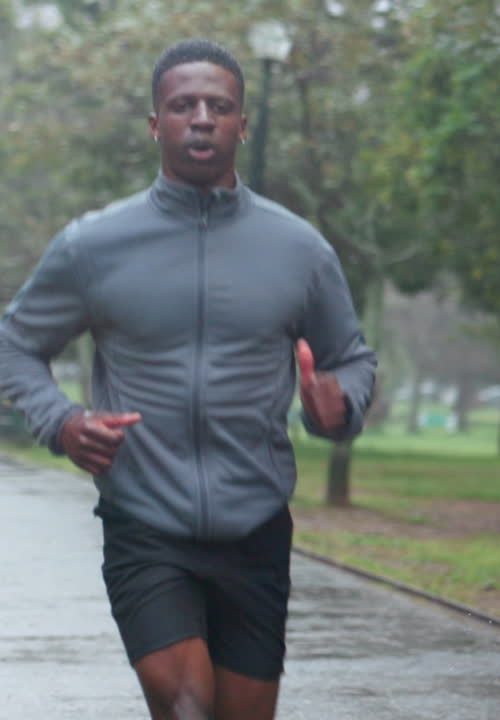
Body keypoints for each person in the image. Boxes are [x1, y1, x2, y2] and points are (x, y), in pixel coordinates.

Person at [0, 39, 376, 720]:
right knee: (185, 706)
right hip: (146, 521)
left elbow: (351, 357)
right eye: (182, 105)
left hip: (257, 524)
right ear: (155, 124)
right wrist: (61, 421)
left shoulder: (299, 250)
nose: (201, 117)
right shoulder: (95, 244)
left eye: (219, 106)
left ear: (242, 125)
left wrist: (338, 403)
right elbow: (15, 343)